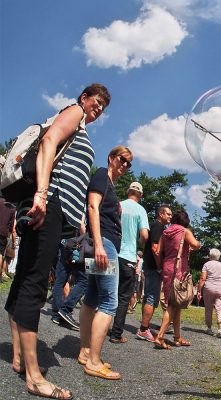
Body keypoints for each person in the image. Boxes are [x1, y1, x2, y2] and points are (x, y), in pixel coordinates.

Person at [4, 83, 110, 399]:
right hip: (48, 203)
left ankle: (20, 359)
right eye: (98, 100)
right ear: (84, 98)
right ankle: (35, 377)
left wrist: (76, 222)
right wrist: (41, 194)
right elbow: (50, 141)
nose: (100, 107)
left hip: (57, 209)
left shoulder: (82, 126)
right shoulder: (73, 113)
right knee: (35, 283)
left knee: (26, 277)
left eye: (105, 105)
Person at [77, 145, 131, 381]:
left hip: (103, 244)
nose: (125, 165)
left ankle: (85, 351)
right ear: (111, 158)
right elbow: (92, 207)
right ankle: (94, 361)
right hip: (103, 245)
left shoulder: (110, 183)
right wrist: (99, 244)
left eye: (129, 163)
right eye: (122, 159)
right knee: (109, 301)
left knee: (92, 297)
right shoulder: (101, 173)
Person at [153, 209, 201, 349]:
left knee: (176, 303)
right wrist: (198, 245)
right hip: (179, 270)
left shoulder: (165, 232)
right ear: (185, 221)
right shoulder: (184, 231)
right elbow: (195, 244)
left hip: (167, 268)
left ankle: (177, 337)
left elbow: (157, 251)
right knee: (173, 305)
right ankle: (160, 336)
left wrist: (161, 265)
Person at [109, 182, 149, 344]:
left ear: (128, 192)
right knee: (124, 297)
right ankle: (116, 334)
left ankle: (100, 327)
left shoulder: (118, 205)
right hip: (128, 258)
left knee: (105, 293)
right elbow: (145, 236)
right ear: (141, 195)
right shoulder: (141, 210)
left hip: (111, 253)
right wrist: (136, 243)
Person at [136, 204, 172, 342]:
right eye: (168, 214)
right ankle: (144, 330)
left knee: (148, 297)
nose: (170, 216)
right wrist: (159, 267)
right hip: (153, 267)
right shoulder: (158, 226)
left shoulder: (156, 226)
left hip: (149, 266)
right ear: (160, 214)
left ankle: (144, 327)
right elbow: (155, 248)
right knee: (152, 298)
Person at [51, 241, 88, 330]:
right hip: (80, 247)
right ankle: (65, 310)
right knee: (85, 280)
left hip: (66, 244)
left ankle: (57, 314)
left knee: (60, 281)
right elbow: (83, 229)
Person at [197, 248, 221, 339]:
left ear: (210, 256)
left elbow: (203, 278)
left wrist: (198, 290)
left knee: (208, 308)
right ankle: (220, 330)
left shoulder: (206, 264)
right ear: (218, 257)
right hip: (220, 288)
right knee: (220, 309)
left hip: (209, 288)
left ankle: (209, 328)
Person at [0, 197, 16, 282]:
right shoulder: (12, 207)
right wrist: (9, 233)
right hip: (3, 232)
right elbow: (12, 224)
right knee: (0, 253)